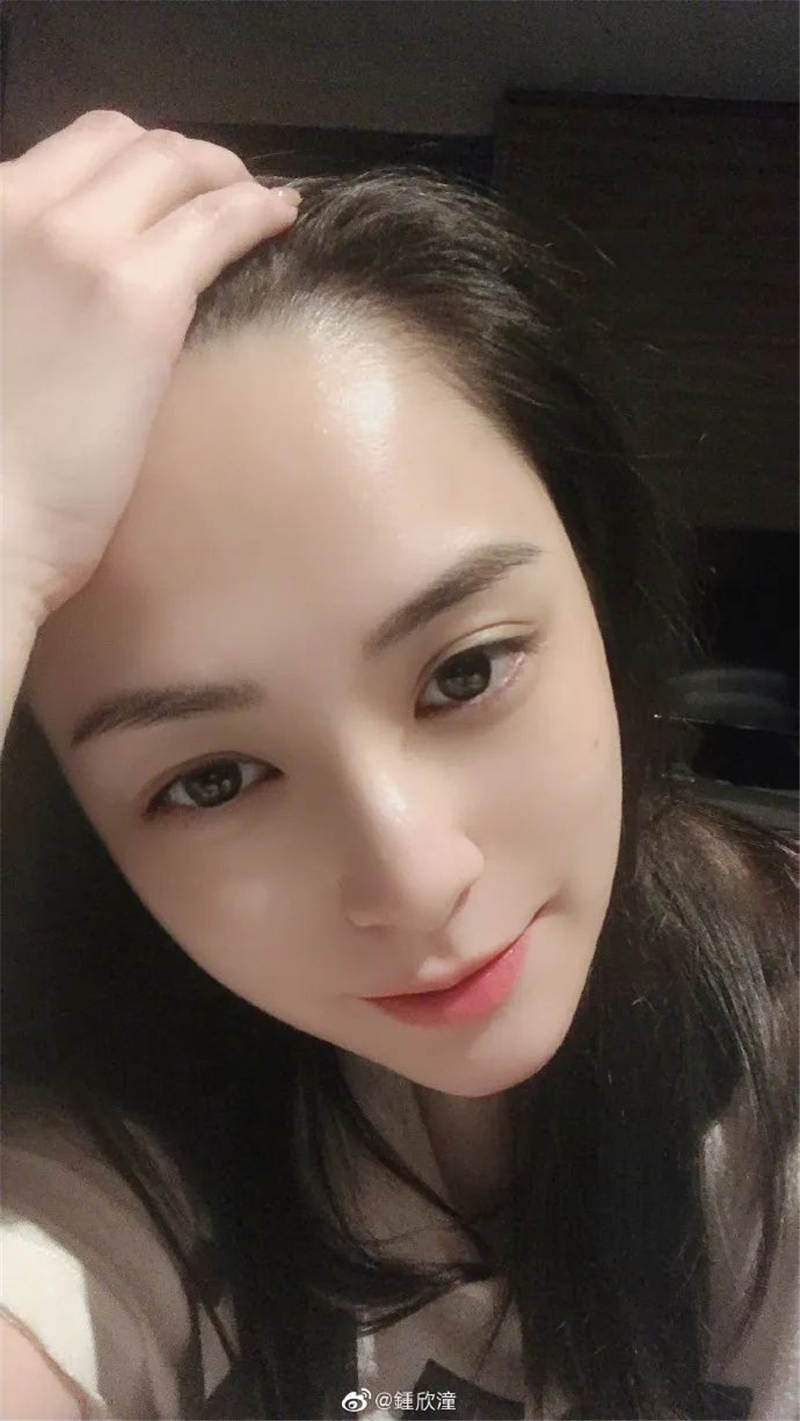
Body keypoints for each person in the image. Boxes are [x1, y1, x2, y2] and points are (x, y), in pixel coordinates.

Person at [0, 108, 796, 1421]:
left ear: (596, 581)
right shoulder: (111, 1193)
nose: (415, 879)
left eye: (465, 672)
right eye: (211, 780)